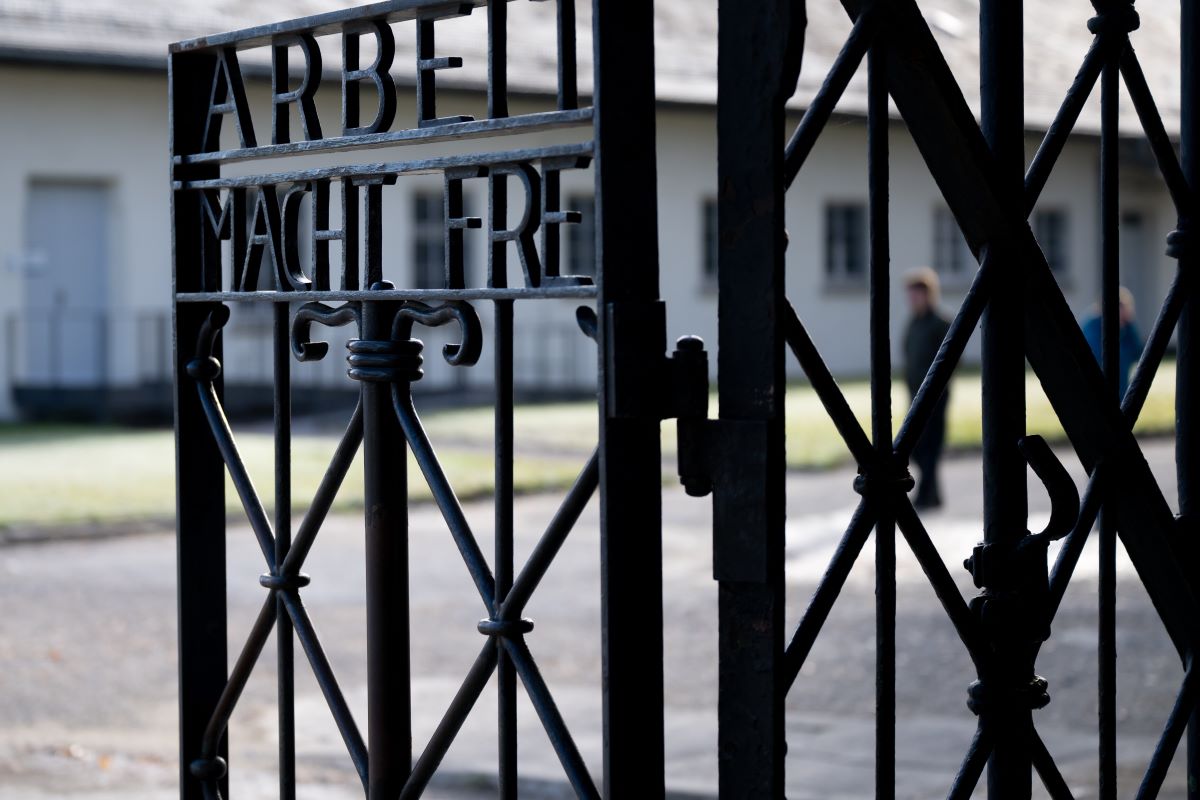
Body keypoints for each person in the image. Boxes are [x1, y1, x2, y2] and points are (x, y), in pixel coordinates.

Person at [903, 267, 951, 510]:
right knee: (918, 447)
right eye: (910, 295)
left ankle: (926, 495)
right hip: (914, 396)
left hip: (935, 397)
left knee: (930, 445)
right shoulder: (913, 324)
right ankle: (932, 493)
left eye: (916, 294)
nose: (912, 300)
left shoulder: (939, 324)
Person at [1081, 286, 1143, 401]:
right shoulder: (1093, 324)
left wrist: (1124, 328)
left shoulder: (1126, 325)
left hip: (1121, 384)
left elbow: (1137, 351)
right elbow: (1097, 353)